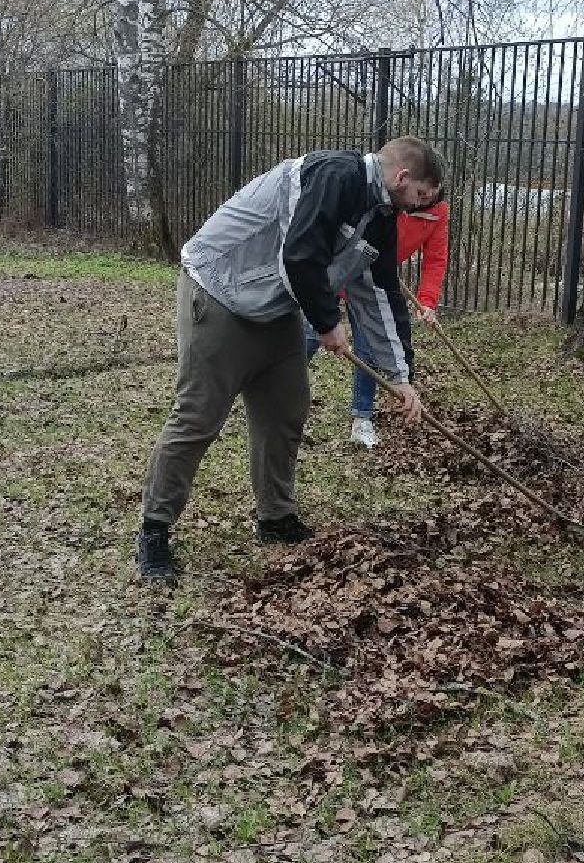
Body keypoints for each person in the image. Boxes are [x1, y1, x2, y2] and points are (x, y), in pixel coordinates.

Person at [135, 136, 447, 582]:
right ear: (402, 177)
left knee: (286, 407)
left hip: (274, 305)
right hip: (220, 289)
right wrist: (326, 324)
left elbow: (380, 297)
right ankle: (154, 530)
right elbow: (298, 253)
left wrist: (400, 376)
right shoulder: (331, 176)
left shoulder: (380, 215)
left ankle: (275, 517)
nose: (419, 207)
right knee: (198, 417)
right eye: (420, 195)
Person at [306, 193, 449, 448]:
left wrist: (426, 301)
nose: (415, 202)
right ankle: (279, 401)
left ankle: (362, 419)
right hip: (340, 269)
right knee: (307, 338)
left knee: (369, 348)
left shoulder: (437, 212)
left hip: (375, 282)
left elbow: (435, 259)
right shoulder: (390, 200)